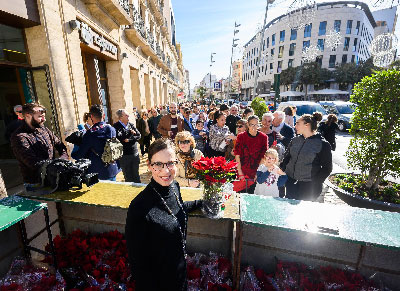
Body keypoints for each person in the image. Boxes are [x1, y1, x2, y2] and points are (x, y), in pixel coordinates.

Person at [125, 139, 202, 291]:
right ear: (149, 165)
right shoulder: (139, 207)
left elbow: (176, 209)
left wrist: (203, 203)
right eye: (158, 164)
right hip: (157, 282)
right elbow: (138, 263)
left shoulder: (174, 186)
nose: (166, 171)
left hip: (179, 274)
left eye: (170, 163)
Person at [11, 103, 69, 186]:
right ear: (28, 115)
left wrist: (64, 159)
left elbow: (60, 145)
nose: (43, 119)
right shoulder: (19, 136)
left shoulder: (44, 129)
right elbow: (32, 162)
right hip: (36, 184)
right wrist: (55, 166)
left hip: (52, 177)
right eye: (40, 117)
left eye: (44, 116)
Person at [281, 112, 333, 201]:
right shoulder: (295, 140)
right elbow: (287, 158)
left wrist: (315, 183)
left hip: (309, 188)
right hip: (291, 183)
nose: (294, 126)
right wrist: (283, 171)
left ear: (307, 125)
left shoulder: (322, 144)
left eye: (297, 123)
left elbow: (327, 168)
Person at [72, 105, 120, 181]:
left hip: (99, 173)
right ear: (103, 115)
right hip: (113, 168)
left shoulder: (90, 134)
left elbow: (79, 155)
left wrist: (74, 151)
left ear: (91, 116)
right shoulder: (111, 128)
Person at [234, 115, 269, 193]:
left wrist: (258, 172)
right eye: (252, 124)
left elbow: (263, 156)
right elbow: (237, 154)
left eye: (256, 124)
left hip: (256, 171)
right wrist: (240, 172)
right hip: (242, 169)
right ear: (248, 124)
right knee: (240, 194)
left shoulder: (264, 137)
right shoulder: (241, 136)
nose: (254, 127)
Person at [113, 109, 141, 183]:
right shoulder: (116, 127)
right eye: (126, 115)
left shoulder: (130, 125)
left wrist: (129, 140)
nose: (128, 116)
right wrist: (131, 133)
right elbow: (120, 138)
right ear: (120, 117)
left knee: (136, 175)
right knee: (128, 176)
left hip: (134, 154)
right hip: (124, 156)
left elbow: (139, 135)